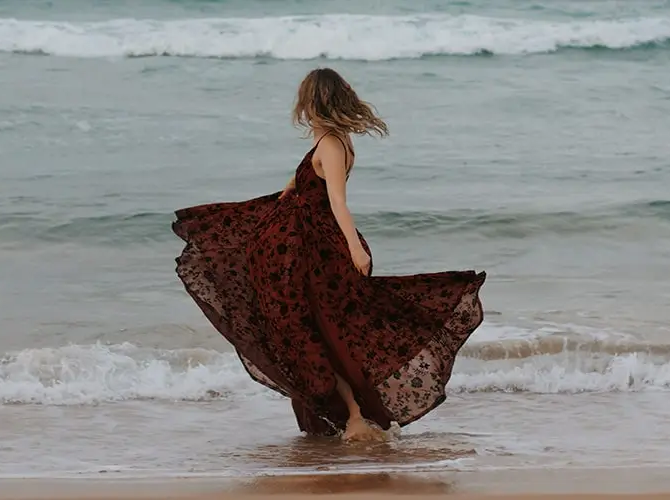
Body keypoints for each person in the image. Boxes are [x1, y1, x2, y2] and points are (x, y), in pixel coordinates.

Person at [172, 67, 486, 442]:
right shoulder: (324, 144)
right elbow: (304, 186)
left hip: (316, 255)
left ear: (314, 102)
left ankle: (355, 415)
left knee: (322, 335)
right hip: (299, 252)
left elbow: (337, 201)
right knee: (306, 333)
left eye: (304, 99)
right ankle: (348, 417)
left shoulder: (333, 146)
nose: (300, 107)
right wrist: (284, 195)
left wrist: (354, 247)